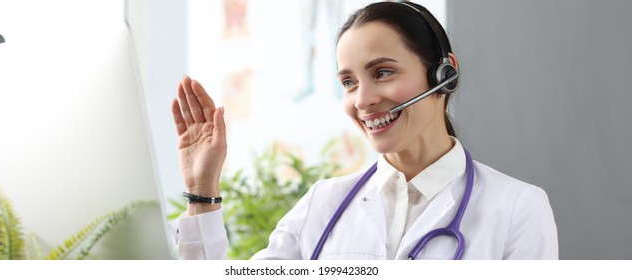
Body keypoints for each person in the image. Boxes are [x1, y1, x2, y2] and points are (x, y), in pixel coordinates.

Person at [169, 1, 558, 260]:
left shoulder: (517, 208)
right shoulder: (323, 204)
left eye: (383, 72)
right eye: (349, 82)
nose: (363, 100)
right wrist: (202, 191)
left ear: (444, 72)